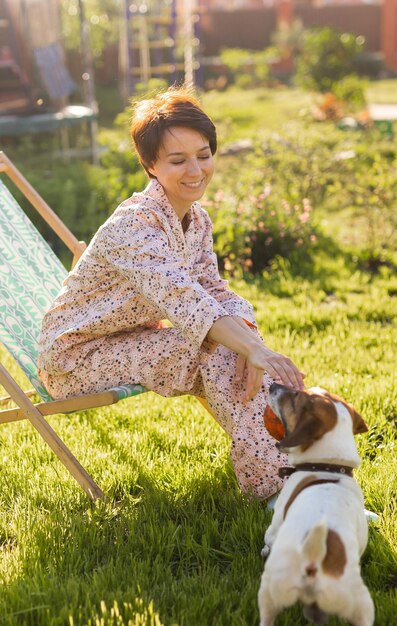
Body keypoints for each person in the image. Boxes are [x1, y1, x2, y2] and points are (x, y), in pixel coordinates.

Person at [38, 86, 305, 503]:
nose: (195, 170)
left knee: (229, 349)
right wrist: (252, 349)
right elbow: (187, 301)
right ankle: (283, 491)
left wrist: (252, 339)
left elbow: (213, 289)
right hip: (76, 360)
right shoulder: (135, 226)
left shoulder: (195, 219)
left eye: (204, 154)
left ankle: (294, 476)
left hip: (126, 341)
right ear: (150, 165)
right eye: (178, 160)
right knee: (214, 349)